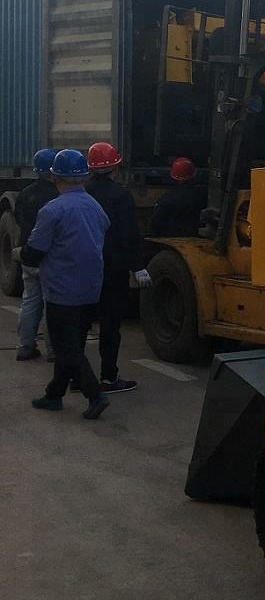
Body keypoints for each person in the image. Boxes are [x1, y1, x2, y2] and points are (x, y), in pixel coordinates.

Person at [20, 149, 111, 420]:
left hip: (62, 289)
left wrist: (21, 254)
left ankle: (95, 394)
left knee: (65, 347)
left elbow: (34, 252)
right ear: (84, 176)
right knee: (72, 345)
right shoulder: (94, 206)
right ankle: (54, 394)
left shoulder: (53, 210)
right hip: (91, 288)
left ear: (55, 177)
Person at [85, 142, 152, 394]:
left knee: (80, 324)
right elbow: (128, 235)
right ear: (116, 166)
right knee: (110, 326)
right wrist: (138, 266)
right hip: (113, 270)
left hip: (85, 270)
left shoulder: (82, 192)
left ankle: (75, 376)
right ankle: (109, 378)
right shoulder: (120, 195)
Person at [13, 149, 58, 361]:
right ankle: (54, 351)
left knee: (29, 301)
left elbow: (18, 218)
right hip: (49, 256)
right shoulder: (58, 195)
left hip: (28, 254)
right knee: (52, 305)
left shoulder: (26, 193)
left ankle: (25, 347)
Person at [148, 157, 207, 237]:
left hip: (171, 240)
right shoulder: (204, 196)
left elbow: (155, 225)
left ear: (173, 176)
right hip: (198, 239)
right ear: (194, 174)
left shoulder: (166, 199)